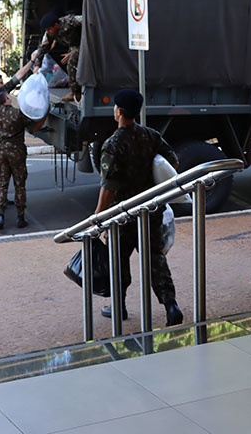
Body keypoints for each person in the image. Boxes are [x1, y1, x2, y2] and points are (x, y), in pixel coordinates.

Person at [94, 89, 183, 326]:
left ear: (119, 111)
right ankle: (171, 305)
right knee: (156, 259)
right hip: (150, 211)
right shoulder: (151, 135)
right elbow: (172, 163)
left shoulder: (113, 144)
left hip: (122, 215)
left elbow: (109, 187)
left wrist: (98, 216)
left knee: (118, 260)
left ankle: (119, 306)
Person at [0, 87, 45, 230]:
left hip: (1, 153)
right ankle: (20, 217)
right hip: (17, 153)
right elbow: (35, 126)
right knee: (19, 185)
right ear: (7, 99)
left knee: (2, 185)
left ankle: (0, 215)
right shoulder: (18, 114)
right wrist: (44, 113)